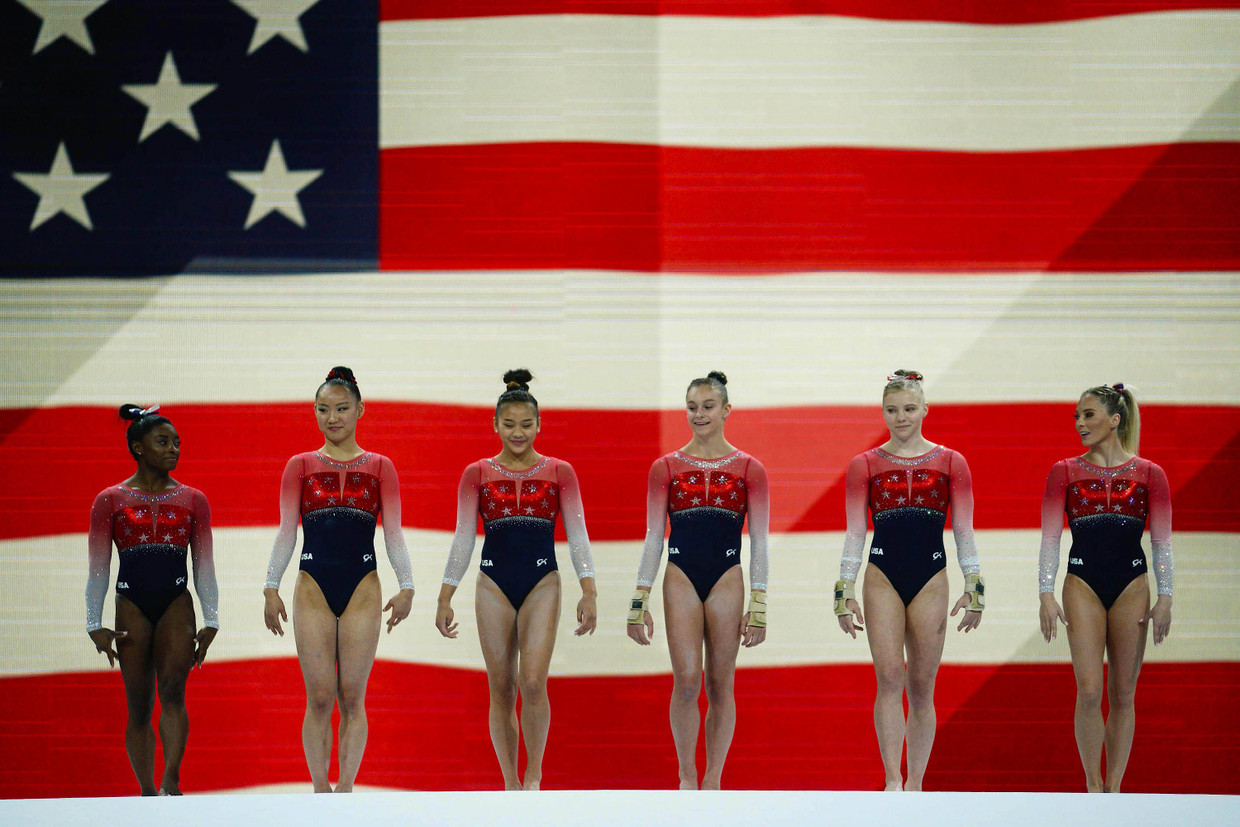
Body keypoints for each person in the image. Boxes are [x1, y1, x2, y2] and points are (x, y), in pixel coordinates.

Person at [435, 369, 598, 791]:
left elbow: (577, 534)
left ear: (539, 425)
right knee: (502, 688)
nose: (518, 433)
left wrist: (590, 590)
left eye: (526, 425)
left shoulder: (560, 471)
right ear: (495, 425)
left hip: (542, 581)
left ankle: (534, 775)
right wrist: (444, 597)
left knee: (532, 682)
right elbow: (462, 539)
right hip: (493, 583)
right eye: (509, 425)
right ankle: (509, 782)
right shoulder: (477, 473)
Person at [263, 367, 414, 793]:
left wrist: (408, 587)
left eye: (342, 409)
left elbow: (394, 534)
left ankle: (345, 792)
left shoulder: (381, 466)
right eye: (324, 409)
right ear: (314, 412)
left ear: (360, 410)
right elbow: (287, 532)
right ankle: (319, 792)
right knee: (319, 698)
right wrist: (270, 587)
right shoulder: (301, 466)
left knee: (351, 697)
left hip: (363, 586)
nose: (333, 418)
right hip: (313, 585)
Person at [833, 370, 984, 792]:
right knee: (888, 679)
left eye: (909, 409)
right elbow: (855, 533)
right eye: (892, 410)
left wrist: (975, 585)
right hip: (882, 574)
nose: (900, 418)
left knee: (921, 686)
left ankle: (917, 783)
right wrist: (843, 590)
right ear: (883, 411)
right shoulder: (865, 464)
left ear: (925, 410)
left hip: (931, 577)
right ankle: (892, 780)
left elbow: (965, 531)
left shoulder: (952, 462)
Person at [627, 371, 770, 790]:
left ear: (726, 409)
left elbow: (759, 541)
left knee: (720, 682)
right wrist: (640, 600)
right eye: (692, 407)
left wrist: (758, 606)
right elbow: (655, 536)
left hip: (727, 575)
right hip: (680, 575)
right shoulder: (666, 468)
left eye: (708, 406)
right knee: (687, 681)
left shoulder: (749, 469)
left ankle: (713, 779)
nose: (699, 415)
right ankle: (687, 775)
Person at [1038, 383, 1172, 793]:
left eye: (1088, 415)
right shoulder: (1064, 471)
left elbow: (1162, 542)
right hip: (1083, 583)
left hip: (1132, 583)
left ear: (1115, 419)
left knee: (1123, 692)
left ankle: (1114, 787)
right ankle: (1092, 785)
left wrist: (1166, 596)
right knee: (1090, 690)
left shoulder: (1150, 474)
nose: (1080, 423)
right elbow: (1050, 539)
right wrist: (1045, 591)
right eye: (1077, 416)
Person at [86, 404, 219, 795]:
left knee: (174, 692)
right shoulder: (109, 499)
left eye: (177, 443)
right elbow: (98, 568)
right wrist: (94, 623)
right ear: (138, 448)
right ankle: (145, 792)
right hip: (131, 603)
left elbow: (204, 565)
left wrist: (211, 618)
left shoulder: (195, 499)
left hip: (176, 602)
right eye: (163, 442)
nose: (174, 449)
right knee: (140, 706)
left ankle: (171, 781)